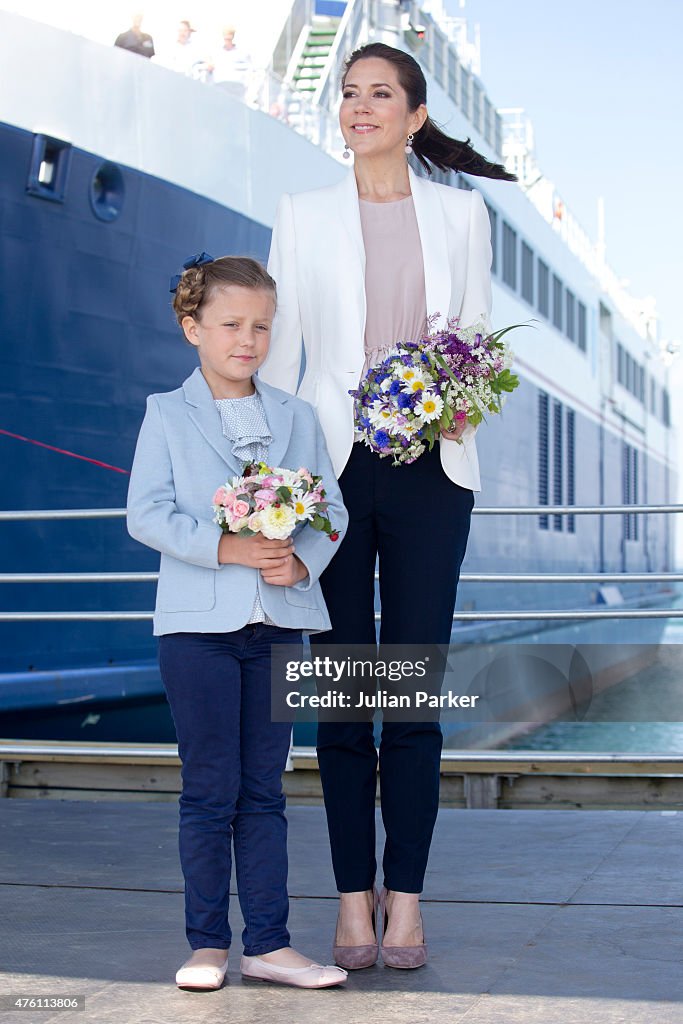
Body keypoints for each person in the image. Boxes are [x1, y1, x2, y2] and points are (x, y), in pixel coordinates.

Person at [259, 42, 516, 970]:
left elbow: (478, 346)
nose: (359, 107)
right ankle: (349, 901)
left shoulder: (461, 215)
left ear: (412, 117)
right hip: (334, 476)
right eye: (348, 94)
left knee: (408, 702)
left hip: (430, 471)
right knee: (340, 697)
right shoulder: (302, 212)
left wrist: (438, 400)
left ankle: (403, 900)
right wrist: (268, 483)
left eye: (380, 95)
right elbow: (284, 360)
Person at [127, 254, 348, 990]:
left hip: (279, 625)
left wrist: (303, 561)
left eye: (260, 325)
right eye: (229, 325)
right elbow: (147, 514)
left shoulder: (296, 416)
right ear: (193, 328)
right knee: (208, 788)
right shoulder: (166, 412)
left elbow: (332, 512)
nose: (246, 339)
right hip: (196, 629)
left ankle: (270, 944)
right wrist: (229, 546)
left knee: (264, 792)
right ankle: (206, 946)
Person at [208, 24, 254, 100]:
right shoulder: (216, 53)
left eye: (229, 38)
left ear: (233, 37)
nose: (227, 41)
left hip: (236, 88)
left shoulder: (242, 53)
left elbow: (250, 70)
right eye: (226, 38)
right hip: (220, 87)